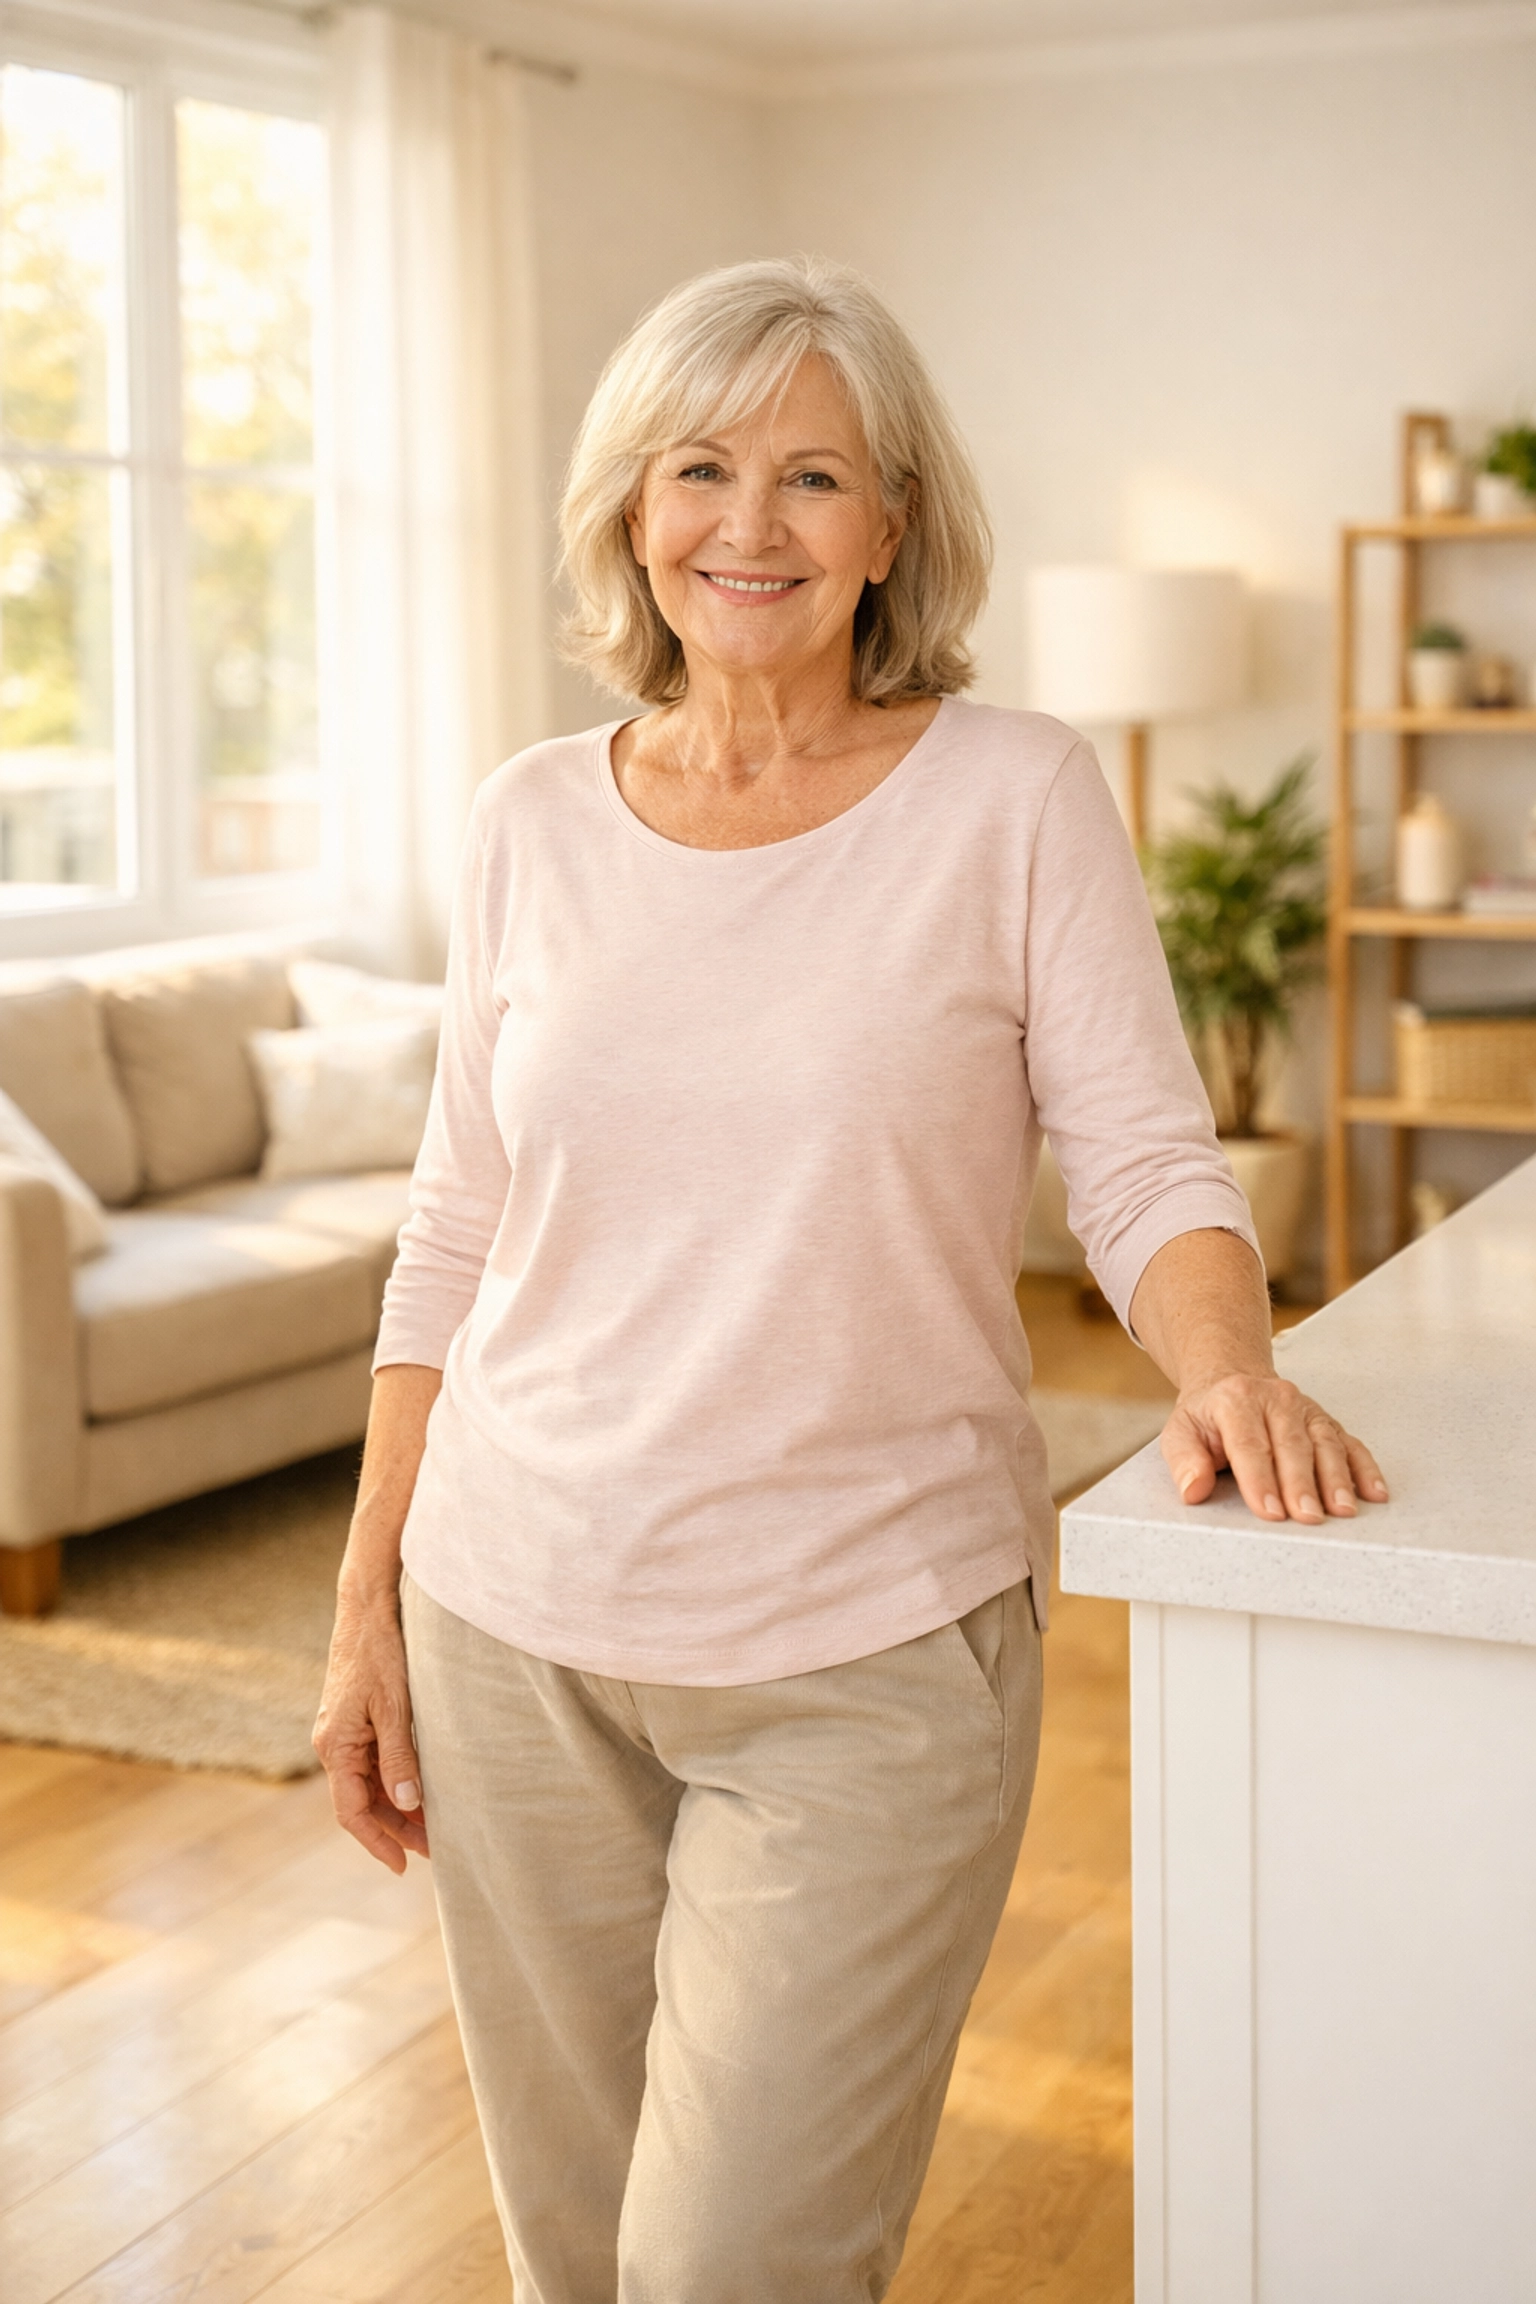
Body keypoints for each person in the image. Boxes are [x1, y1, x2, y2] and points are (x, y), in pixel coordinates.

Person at [314, 256, 1385, 2304]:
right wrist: (368, 1597)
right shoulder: (530, 820)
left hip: (871, 1653)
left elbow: (1149, 1156)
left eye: (814, 476)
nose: (751, 524)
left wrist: (1225, 1366)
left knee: (736, 2270)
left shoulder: (1014, 797)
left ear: (894, 525)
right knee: (573, 2260)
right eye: (702, 467)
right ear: (636, 506)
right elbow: (455, 1225)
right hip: (511, 1625)